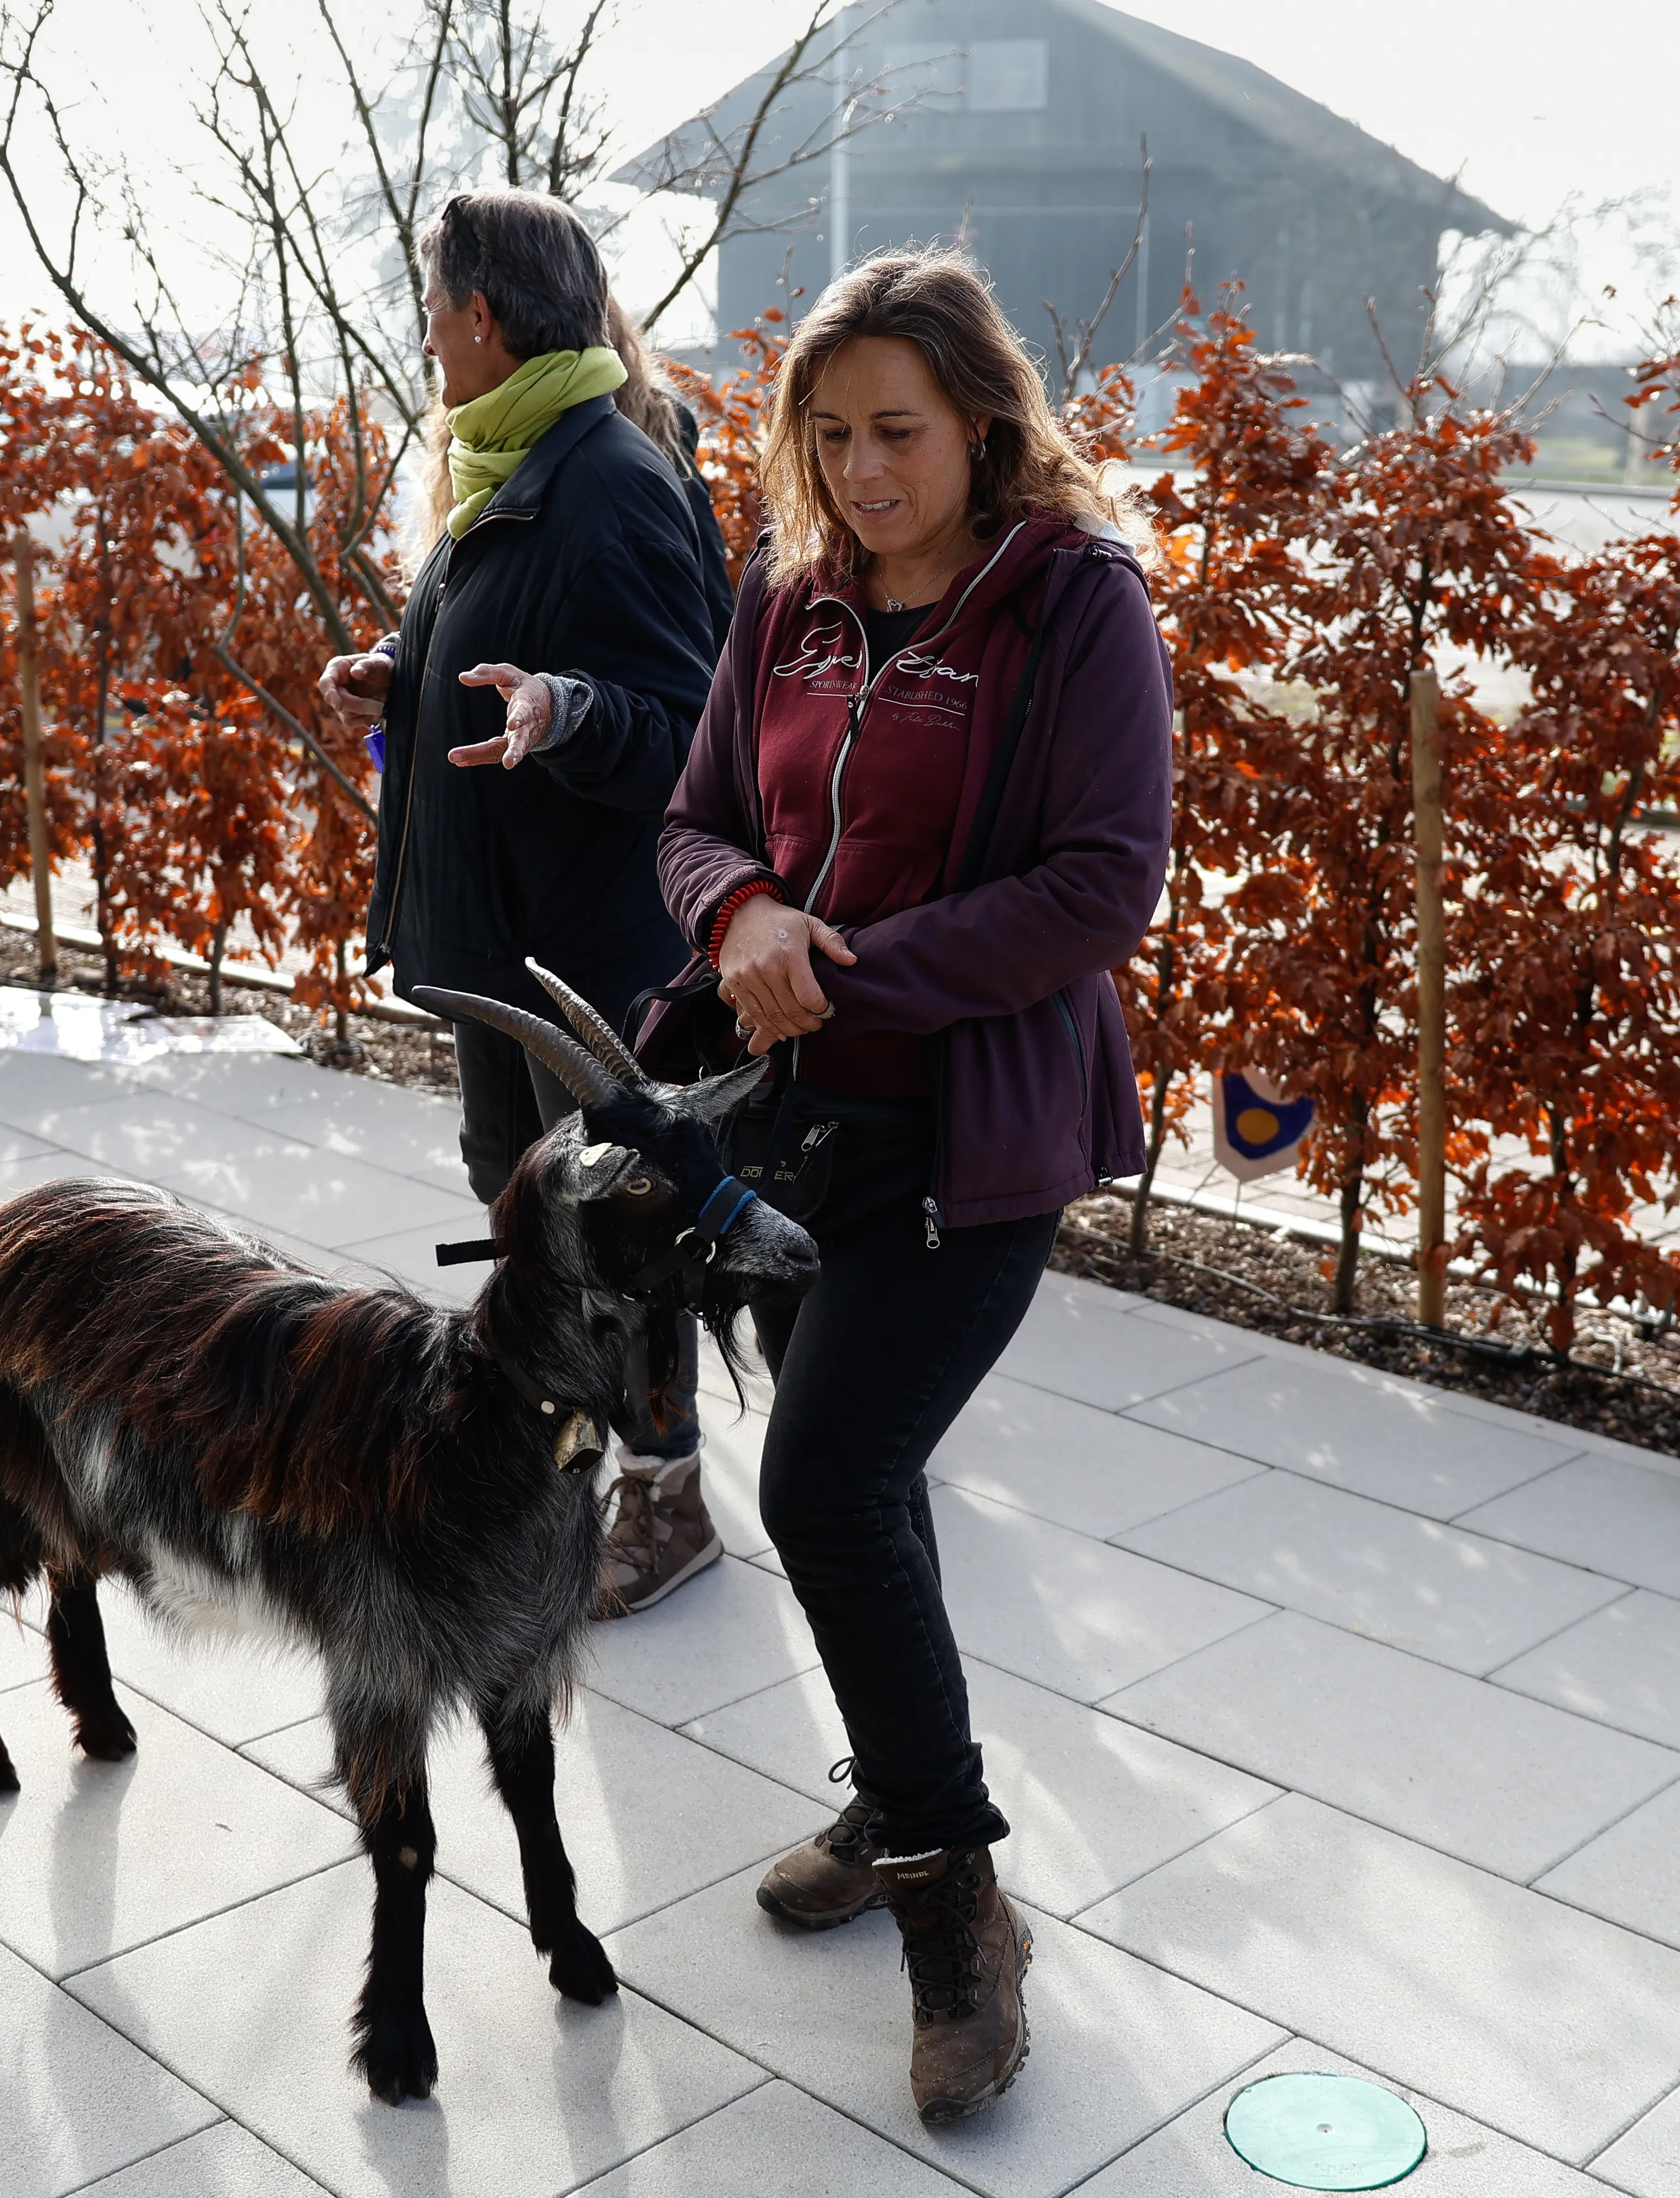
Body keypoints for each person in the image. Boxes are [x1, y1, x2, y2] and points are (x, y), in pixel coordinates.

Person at [653, 246, 1171, 2124]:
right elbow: (696, 821)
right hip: (790, 1137)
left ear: (980, 421)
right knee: (863, 1481)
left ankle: (958, 1905)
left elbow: (1103, 884)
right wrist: (743, 910)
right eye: (828, 435)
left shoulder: (1075, 601)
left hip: (972, 1143)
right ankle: (894, 1798)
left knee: (822, 1483)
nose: (861, 472)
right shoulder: (786, 596)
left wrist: (843, 967)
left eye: (898, 431)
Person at [321, 190, 733, 1619]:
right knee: (522, 1195)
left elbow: (693, 729)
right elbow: (503, 639)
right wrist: (406, 674)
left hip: (588, 954)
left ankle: (668, 1494)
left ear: (482, 316)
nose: (427, 336)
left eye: (433, 309)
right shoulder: (508, 456)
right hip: (504, 935)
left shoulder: (611, 477)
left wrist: (570, 711)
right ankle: (571, 1451)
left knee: (617, 1226)